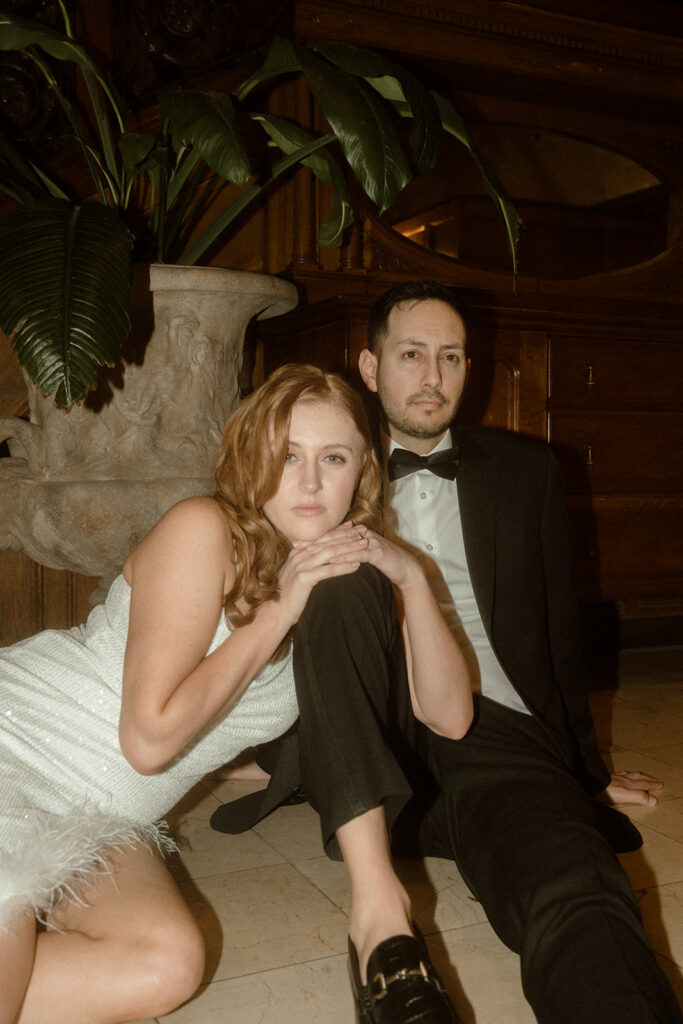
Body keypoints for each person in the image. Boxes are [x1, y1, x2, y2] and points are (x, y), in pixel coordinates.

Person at [213, 284, 682, 1024]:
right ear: (369, 368)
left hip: (495, 725)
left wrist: (582, 771)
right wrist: (268, 747)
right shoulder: (315, 460)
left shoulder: (528, 472)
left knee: (574, 883)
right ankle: (380, 929)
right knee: (338, 583)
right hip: (370, 733)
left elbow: (559, 631)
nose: (431, 376)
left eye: (450, 357)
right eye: (410, 355)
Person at [0, 363, 472, 1024]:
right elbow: (148, 739)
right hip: (18, 746)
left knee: (164, 964)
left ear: (361, 471)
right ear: (249, 458)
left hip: (101, 813)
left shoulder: (336, 581)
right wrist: (278, 610)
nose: (308, 482)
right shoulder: (205, 529)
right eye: (285, 455)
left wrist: (413, 580)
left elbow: (448, 718)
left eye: (331, 458)